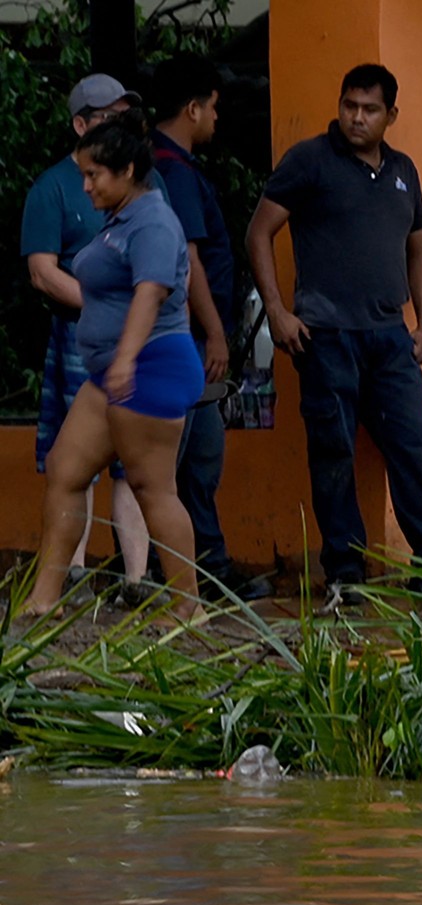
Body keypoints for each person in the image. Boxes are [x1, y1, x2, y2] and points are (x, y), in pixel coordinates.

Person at [245, 63, 422, 605]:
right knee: (333, 451)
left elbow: (421, 249)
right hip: (325, 336)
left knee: (414, 445)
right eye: (349, 106)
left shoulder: (403, 170)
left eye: (369, 110)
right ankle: (344, 573)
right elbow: (259, 232)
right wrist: (277, 311)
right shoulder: (310, 161)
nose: (356, 118)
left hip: (390, 337)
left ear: (391, 115)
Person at [21, 112, 205, 621]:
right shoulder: (119, 218)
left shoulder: (154, 221)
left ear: (126, 170)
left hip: (148, 369)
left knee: (152, 488)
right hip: (112, 374)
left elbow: (153, 292)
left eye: (93, 176)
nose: (84, 186)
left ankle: (188, 608)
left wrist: (124, 360)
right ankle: (44, 599)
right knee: (65, 469)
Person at [20, 74, 156, 603]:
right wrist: (106, 305)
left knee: (136, 457)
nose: (122, 122)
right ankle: (72, 574)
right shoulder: (53, 187)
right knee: (75, 458)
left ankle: (138, 580)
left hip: (142, 339)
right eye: (108, 114)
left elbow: (170, 261)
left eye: (126, 113)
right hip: (81, 336)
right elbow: (42, 271)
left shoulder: (147, 182)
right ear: (80, 125)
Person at [150, 54, 270, 602]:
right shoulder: (172, 170)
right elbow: (190, 258)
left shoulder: (172, 167)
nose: (218, 120)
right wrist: (215, 333)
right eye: (214, 108)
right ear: (193, 108)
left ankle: (207, 564)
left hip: (192, 336)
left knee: (199, 457)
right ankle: (185, 571)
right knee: (187, 460)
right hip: (190, 338)